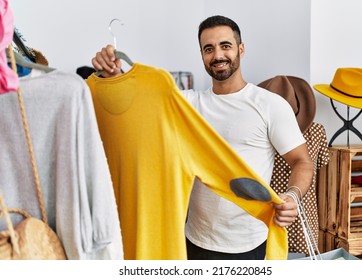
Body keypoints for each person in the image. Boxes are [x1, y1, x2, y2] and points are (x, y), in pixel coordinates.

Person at [91, 15, 314, 260]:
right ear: (202, 55)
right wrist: (114, 74)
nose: (217, 55)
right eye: (209, 49)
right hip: (194, 240)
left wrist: (292, 196)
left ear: (241, 49)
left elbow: (302, 161)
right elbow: (138, 102)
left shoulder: (270, 105)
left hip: (251, 243)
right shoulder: (186, 104)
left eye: (225, 46)